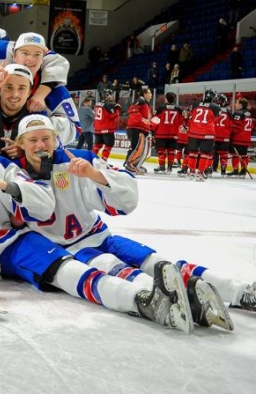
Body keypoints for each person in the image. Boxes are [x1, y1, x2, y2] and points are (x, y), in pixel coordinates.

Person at [0, 114, 191, 330]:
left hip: (14, 241)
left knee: (68, 272)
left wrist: (4, 185)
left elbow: (44, 204)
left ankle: (139, 301)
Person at [12, 114, 236, 330]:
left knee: (155, 261)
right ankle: (163, 297)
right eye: (33, 140)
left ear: (55, 139)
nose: (41, 145)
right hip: (66, 250)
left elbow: (127, 198)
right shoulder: (12, 171)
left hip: (98, 236)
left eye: (46, 138)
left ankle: (236, 291)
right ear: (21, 143)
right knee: (110, 264)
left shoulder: (78, 160)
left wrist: (94, 174)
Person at [181, 88, 219, 181]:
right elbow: (216, 120)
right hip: (207, 133)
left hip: (193, 132)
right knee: (205, 154)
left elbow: (190, 117)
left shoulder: (195, 104)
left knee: (193, 153)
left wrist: (187, 126)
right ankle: (200, 173)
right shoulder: (215, 107)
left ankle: (191, 172)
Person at [123, 85, 152, 174]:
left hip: (140, 128)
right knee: (137, 148)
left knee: (137, 148)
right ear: (145, 94)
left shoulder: (145, 104)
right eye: (149, 93)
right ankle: (130, 165)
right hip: (136, 128)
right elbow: (132, 110)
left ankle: (134, 164)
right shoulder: (141, 101)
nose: (151, 95)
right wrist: (143, 120)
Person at [152, 92, 183, 174]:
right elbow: (181, 121)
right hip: (174, 134)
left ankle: (162, 167)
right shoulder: (179, 108)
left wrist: (153, 131)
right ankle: (169, 167)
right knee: (171, 151)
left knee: (161, 151)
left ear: (166, 98)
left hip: (161, 133)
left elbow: (155, 120)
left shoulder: (161, 107)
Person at [92, 89, 121, 162]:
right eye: (111, 94)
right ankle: (103, 161)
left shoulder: (97, 104)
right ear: (107, 95)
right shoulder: (108, 104)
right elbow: (113, 116)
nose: (112, 96)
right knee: (108, 146)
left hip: (97, 129)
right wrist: (118, 109)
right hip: (107, 129)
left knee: (96, 146)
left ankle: (91, 159)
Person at [228, 97, 253, 176]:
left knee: (235, 154)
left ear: (241, 105)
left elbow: (236, 127)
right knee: (244, 154)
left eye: (237, 103)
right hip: (246, 138)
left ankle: (235, 170)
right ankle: (243, 170)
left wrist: (230, 134)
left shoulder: (238, 113)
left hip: (238, 138)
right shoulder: (248, 114)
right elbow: (251, 126)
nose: (235, 104)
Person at [211, 94, 233, 176]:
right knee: (224, 154)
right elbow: (231, 125)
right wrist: (227, 133)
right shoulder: (228, 111)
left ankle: (211, 168)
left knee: (212, 153)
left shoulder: (214, 109)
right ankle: (223, 169)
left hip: (214, 135)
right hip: (225, 136)